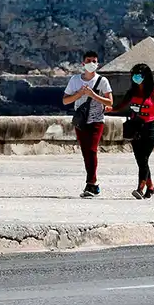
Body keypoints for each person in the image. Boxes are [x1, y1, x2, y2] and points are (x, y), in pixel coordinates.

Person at [108, 63, 154, 200]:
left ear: (146, 77)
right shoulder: (132, 92)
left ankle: (140, 188)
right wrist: (109, 109)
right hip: (135, 128)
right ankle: (151, 187)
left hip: (149, 129)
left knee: (144, 158)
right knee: (141, 161)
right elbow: (120, 106)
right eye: (134, 75)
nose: (136, 77)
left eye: (139, 75)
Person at [63, 50, 113, 198]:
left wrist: (93, 95)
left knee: (91, 149)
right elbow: (65, 100)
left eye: (94, 61)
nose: (91, 63)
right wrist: (79, 94)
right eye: (89, 60)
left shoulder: (102, 81)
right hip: (81, 120)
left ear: (97, 64)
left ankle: (90, 183)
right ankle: (94, 184)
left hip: (96, 120)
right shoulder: (75, 80)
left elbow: (110, 102)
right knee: (86, 152)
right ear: (83, 63)